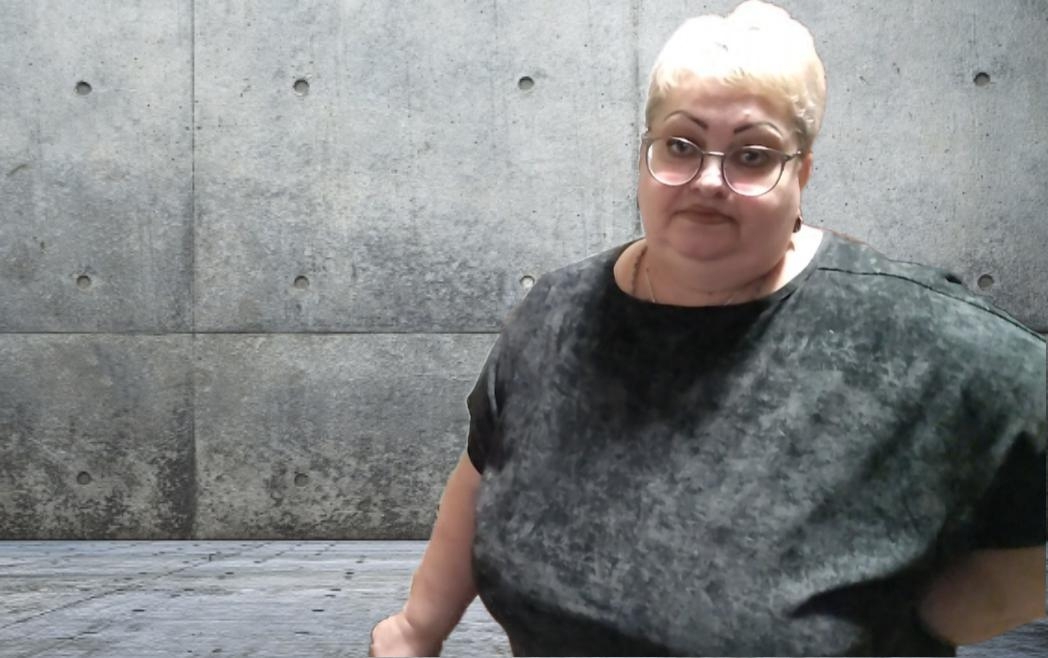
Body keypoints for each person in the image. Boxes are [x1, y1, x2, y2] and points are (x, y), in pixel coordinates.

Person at [369, 1, 1047, 655]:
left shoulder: (912, 338)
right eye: (681, 145)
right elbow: (482, 473)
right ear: (646, 154)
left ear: (802, 172)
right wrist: (416, 628)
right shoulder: (556, 312)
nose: (709, 181)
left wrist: (931, 618)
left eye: (752, 155)